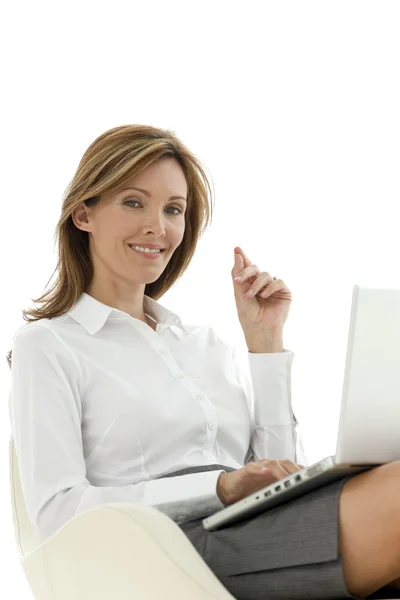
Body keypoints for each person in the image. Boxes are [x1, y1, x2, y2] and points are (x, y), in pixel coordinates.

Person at [7, 124, 400, 600]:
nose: (159, 226)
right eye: (134, 202)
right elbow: (56, 514)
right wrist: (219, 487)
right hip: (161, 550)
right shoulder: (49, 345)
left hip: (254, 523)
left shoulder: (203, 344)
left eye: (174, 209)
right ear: (82, 214)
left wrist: (266, 344)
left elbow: (278, 471)